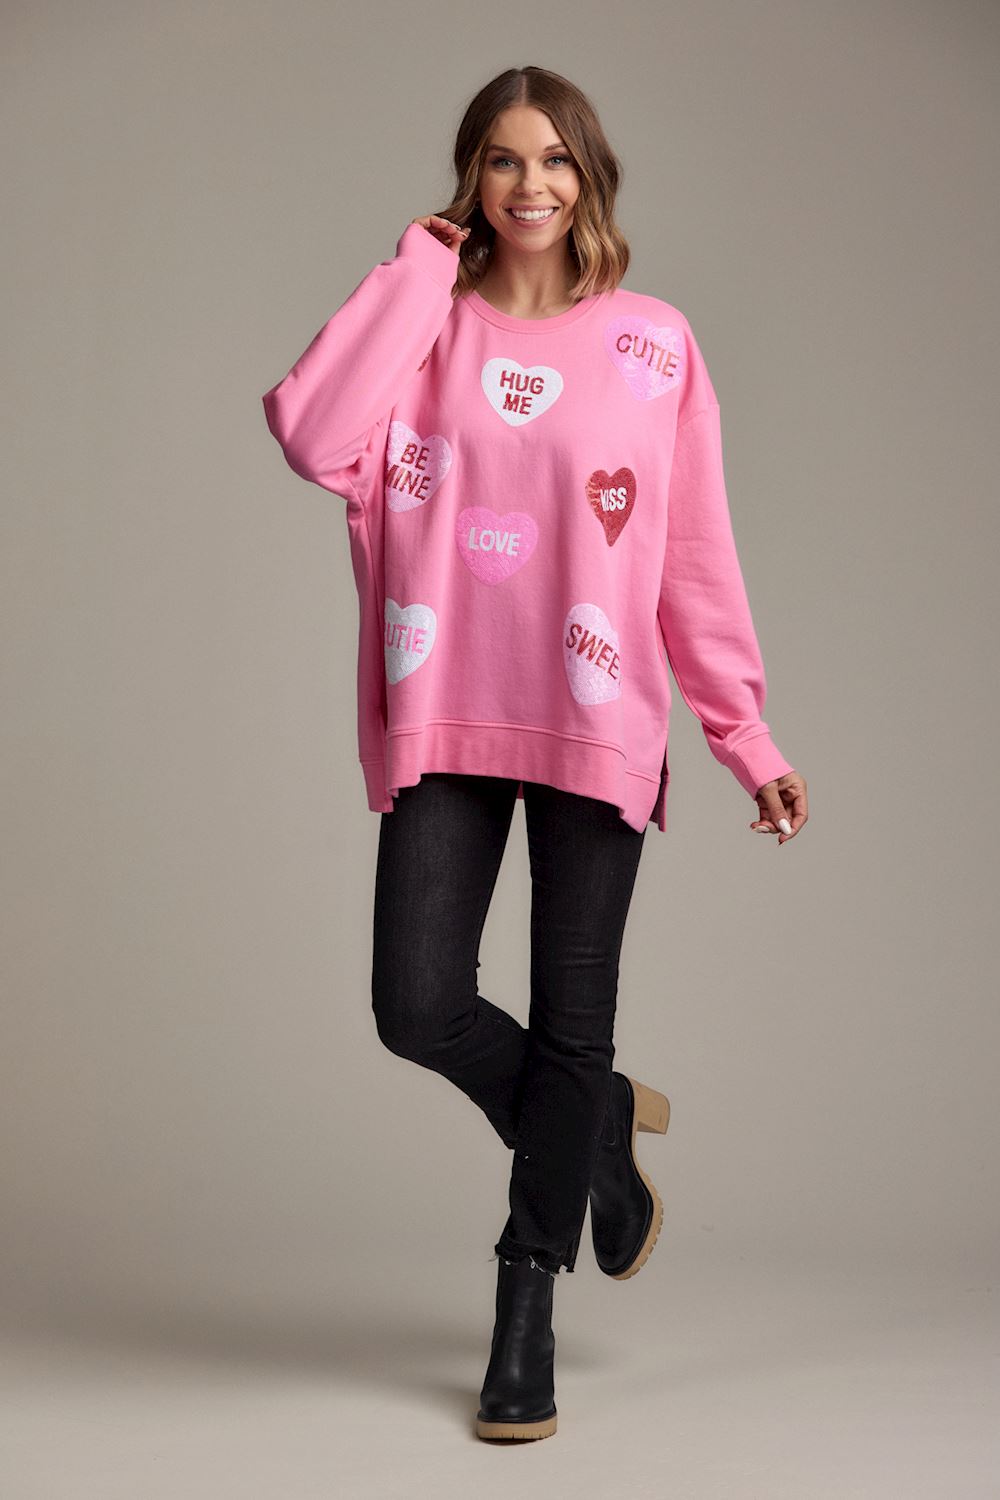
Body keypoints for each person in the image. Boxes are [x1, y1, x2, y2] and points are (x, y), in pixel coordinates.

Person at [261, 64, 808, 1443]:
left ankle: (526, 1303)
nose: (531, 186)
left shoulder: (653, 346)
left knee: (573, 1021)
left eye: (555, 160)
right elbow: (311, 436)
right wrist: (411, 271)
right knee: (416, 1002)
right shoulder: (424, 330)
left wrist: (742, 731)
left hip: (599, 713)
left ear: (589, 176)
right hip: (447, 703)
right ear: (471, 178)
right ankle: (595, 1124)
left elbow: (691, 552)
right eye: (504, 160)